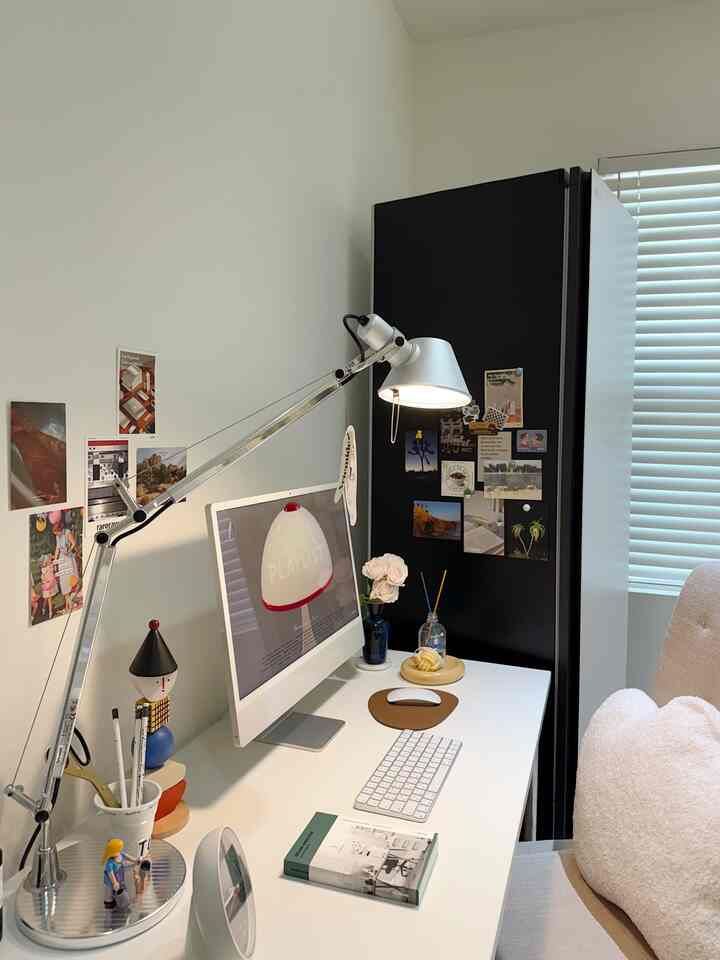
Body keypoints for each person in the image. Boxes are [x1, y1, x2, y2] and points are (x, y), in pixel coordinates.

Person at [51, 511, 80, 614]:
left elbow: (74, 543)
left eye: (57, 533)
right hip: (62, 558)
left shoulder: (67, 532)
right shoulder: (57, 536)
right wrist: (55, 559)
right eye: (55, 534)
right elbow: (57, 548)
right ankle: (68, 602)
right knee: (63, 580)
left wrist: (69, 550)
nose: (57, 535)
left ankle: (71, 598)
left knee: (70, 578)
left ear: (60, 529)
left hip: (69, 557)